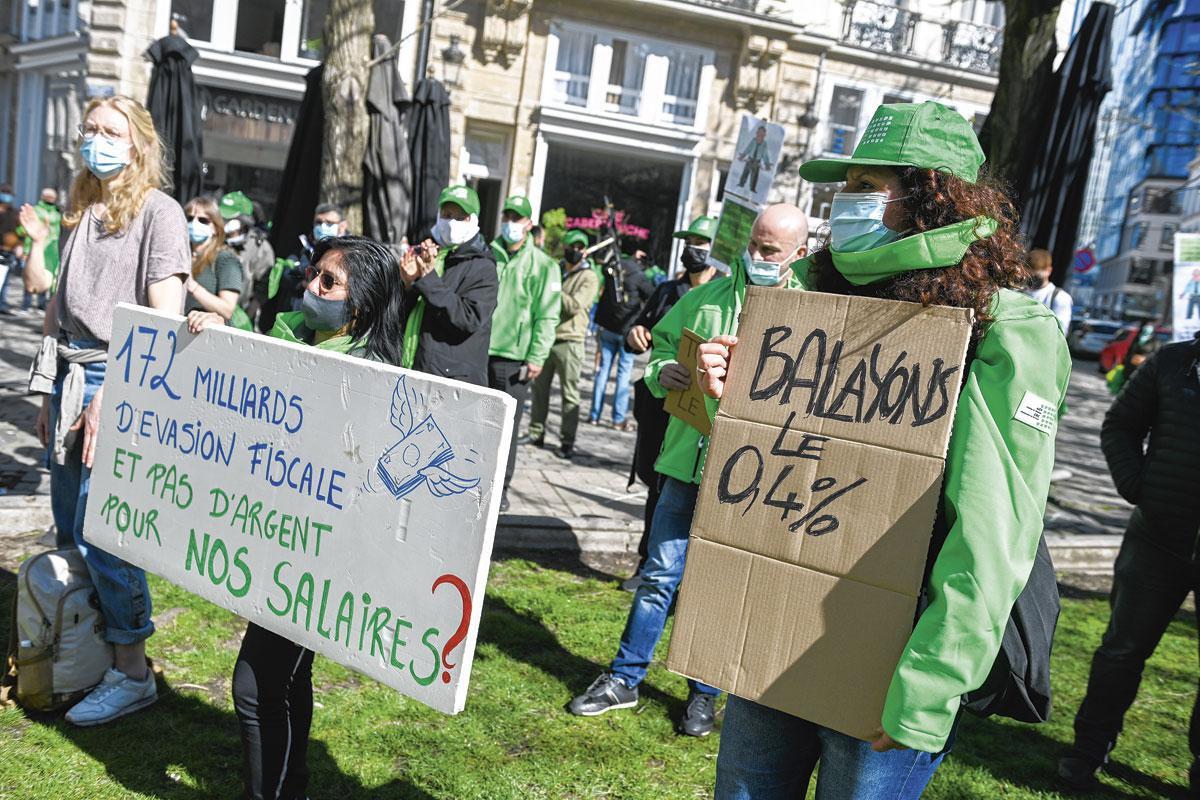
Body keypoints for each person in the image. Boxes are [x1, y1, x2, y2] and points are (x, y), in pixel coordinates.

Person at [695, 101, 1070, 799]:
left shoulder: (1002, 330)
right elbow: (781, 471)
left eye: (866, 187)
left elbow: (993, 531)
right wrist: (735, 400)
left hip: (891, 661)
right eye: (846, 188)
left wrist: (927, 691)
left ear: (928, 195)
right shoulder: (808, 295)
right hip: (778, 623)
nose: (846, 204)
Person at [568, 204, 809, 739]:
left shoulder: (808, 314)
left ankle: (705, 695)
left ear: (800, 253)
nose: (758, 257)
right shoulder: (702, 299)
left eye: (771, 250)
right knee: (658, 577)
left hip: (750, 481)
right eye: (754, 244)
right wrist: (664, 372)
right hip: (685, 466)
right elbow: (657, 355)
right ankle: (624, 679)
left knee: (718, 589)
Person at [190, 235, 407, 800]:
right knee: (289, 679)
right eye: (313, 275)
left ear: (359, 305)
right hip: (279, 541)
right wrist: (217, 344)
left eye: (328, 282)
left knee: (255, 686)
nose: (311, 287)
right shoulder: (291, 340)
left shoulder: (370, 377)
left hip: (318, 555)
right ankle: (294, 787)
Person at [30, 94, 190, 726]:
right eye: (89, 129)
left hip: (114, 380)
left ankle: (132, 672)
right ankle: (86, 651)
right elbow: (55, 310)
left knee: (109, 536)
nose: (96, 139)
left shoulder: (161, 213)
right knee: (71, 528)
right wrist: (48, 389)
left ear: (139, 144)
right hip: (69, 377)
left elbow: (162, 322)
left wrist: (112, 401)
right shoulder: (84, 208)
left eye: (110, 131)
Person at [1059, 332, 1200, 793]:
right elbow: (1120, 425)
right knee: (1121, 652)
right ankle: (1086, 752)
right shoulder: (1174, 362)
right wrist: (1139, 487)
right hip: (1157, 540)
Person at [622, 215, 718, 591]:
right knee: (655, 484)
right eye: (689, 240)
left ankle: (687, 579)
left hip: (698, 418)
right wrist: (636, 336)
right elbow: (642, 333)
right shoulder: (665, 291)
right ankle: (647, 564)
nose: (693, 248)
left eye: (702, 241)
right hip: (659, 405)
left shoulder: (725, 295)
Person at [488, 195, 561, 508]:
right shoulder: (488, 253)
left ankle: (501, 488)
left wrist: (537, 355)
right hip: (480, 352)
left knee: (507, 428)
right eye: (507, 215)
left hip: (515, 359)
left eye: (517, 218)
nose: (510, 223)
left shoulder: (544, 265)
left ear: (529, 224)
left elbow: (548, 314)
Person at [397, 184, 498, 388]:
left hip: (448, 381)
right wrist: (407, 284)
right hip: (409, 365)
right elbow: (405, 313)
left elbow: (468, 318)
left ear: (473, 220)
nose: (452, 222)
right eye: (447, 214)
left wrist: (427, 277)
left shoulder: (483, 267)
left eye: (461, 217)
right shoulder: (427, 253)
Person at [528, 229, 599, 459]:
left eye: (580, 247)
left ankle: (567, 441)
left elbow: (574, 306)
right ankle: (536, 432)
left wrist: (554, 286)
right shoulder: (556, 269)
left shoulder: (589, 277)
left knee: (570, 395)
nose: (575, 251)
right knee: (539, 391)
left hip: (571, 341)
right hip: (548, 338)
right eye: (572, 247)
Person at [590, 245, 654, 430]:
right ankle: (617, 419)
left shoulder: (617, 266)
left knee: (602, 372)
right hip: (627, 332)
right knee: (623, 375)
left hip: (607, 327)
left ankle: (594, 414)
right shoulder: (640, 277)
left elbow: (603, 266)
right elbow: (652, 295)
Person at [257, 203, 347, 333]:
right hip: (294, 317)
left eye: (329, 223)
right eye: (318, 222)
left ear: (342, 226)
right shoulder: (304, 248)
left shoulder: (351, 254)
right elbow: (285, 272)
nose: (322, 227)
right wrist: (302, 282)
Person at [219, 190, 276, 325]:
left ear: (244, 221)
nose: (223, 221)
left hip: (239, 314)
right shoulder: (212, 238)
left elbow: (263, 287)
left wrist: (246, 317)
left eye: (229, 218)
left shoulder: (259, 247)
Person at [182, 196, 242, 323]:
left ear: (216, 227)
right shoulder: (180, 253)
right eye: (190, 218)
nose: (194, 224)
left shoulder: (226, 259)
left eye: (203, 220)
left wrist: (192, 287)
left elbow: (227, 310)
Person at [16, 187, 61, 310]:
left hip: (53, 252)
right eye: (48, 197)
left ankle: (41, 304)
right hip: (36, 251)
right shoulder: (35, 211)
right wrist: (29, 247)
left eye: (52, 197)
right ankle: (26, 304)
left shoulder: (58, 214)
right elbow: (22, 231)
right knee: (30, 281)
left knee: (49, 281)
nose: (50, 199)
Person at [1025, 248, 1072, 335]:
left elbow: (1060, 333)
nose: (1032, 280)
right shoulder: (1017, 292)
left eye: (1037, 276)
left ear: (1049, 270)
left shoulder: (1059, 297)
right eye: (1029, 275)